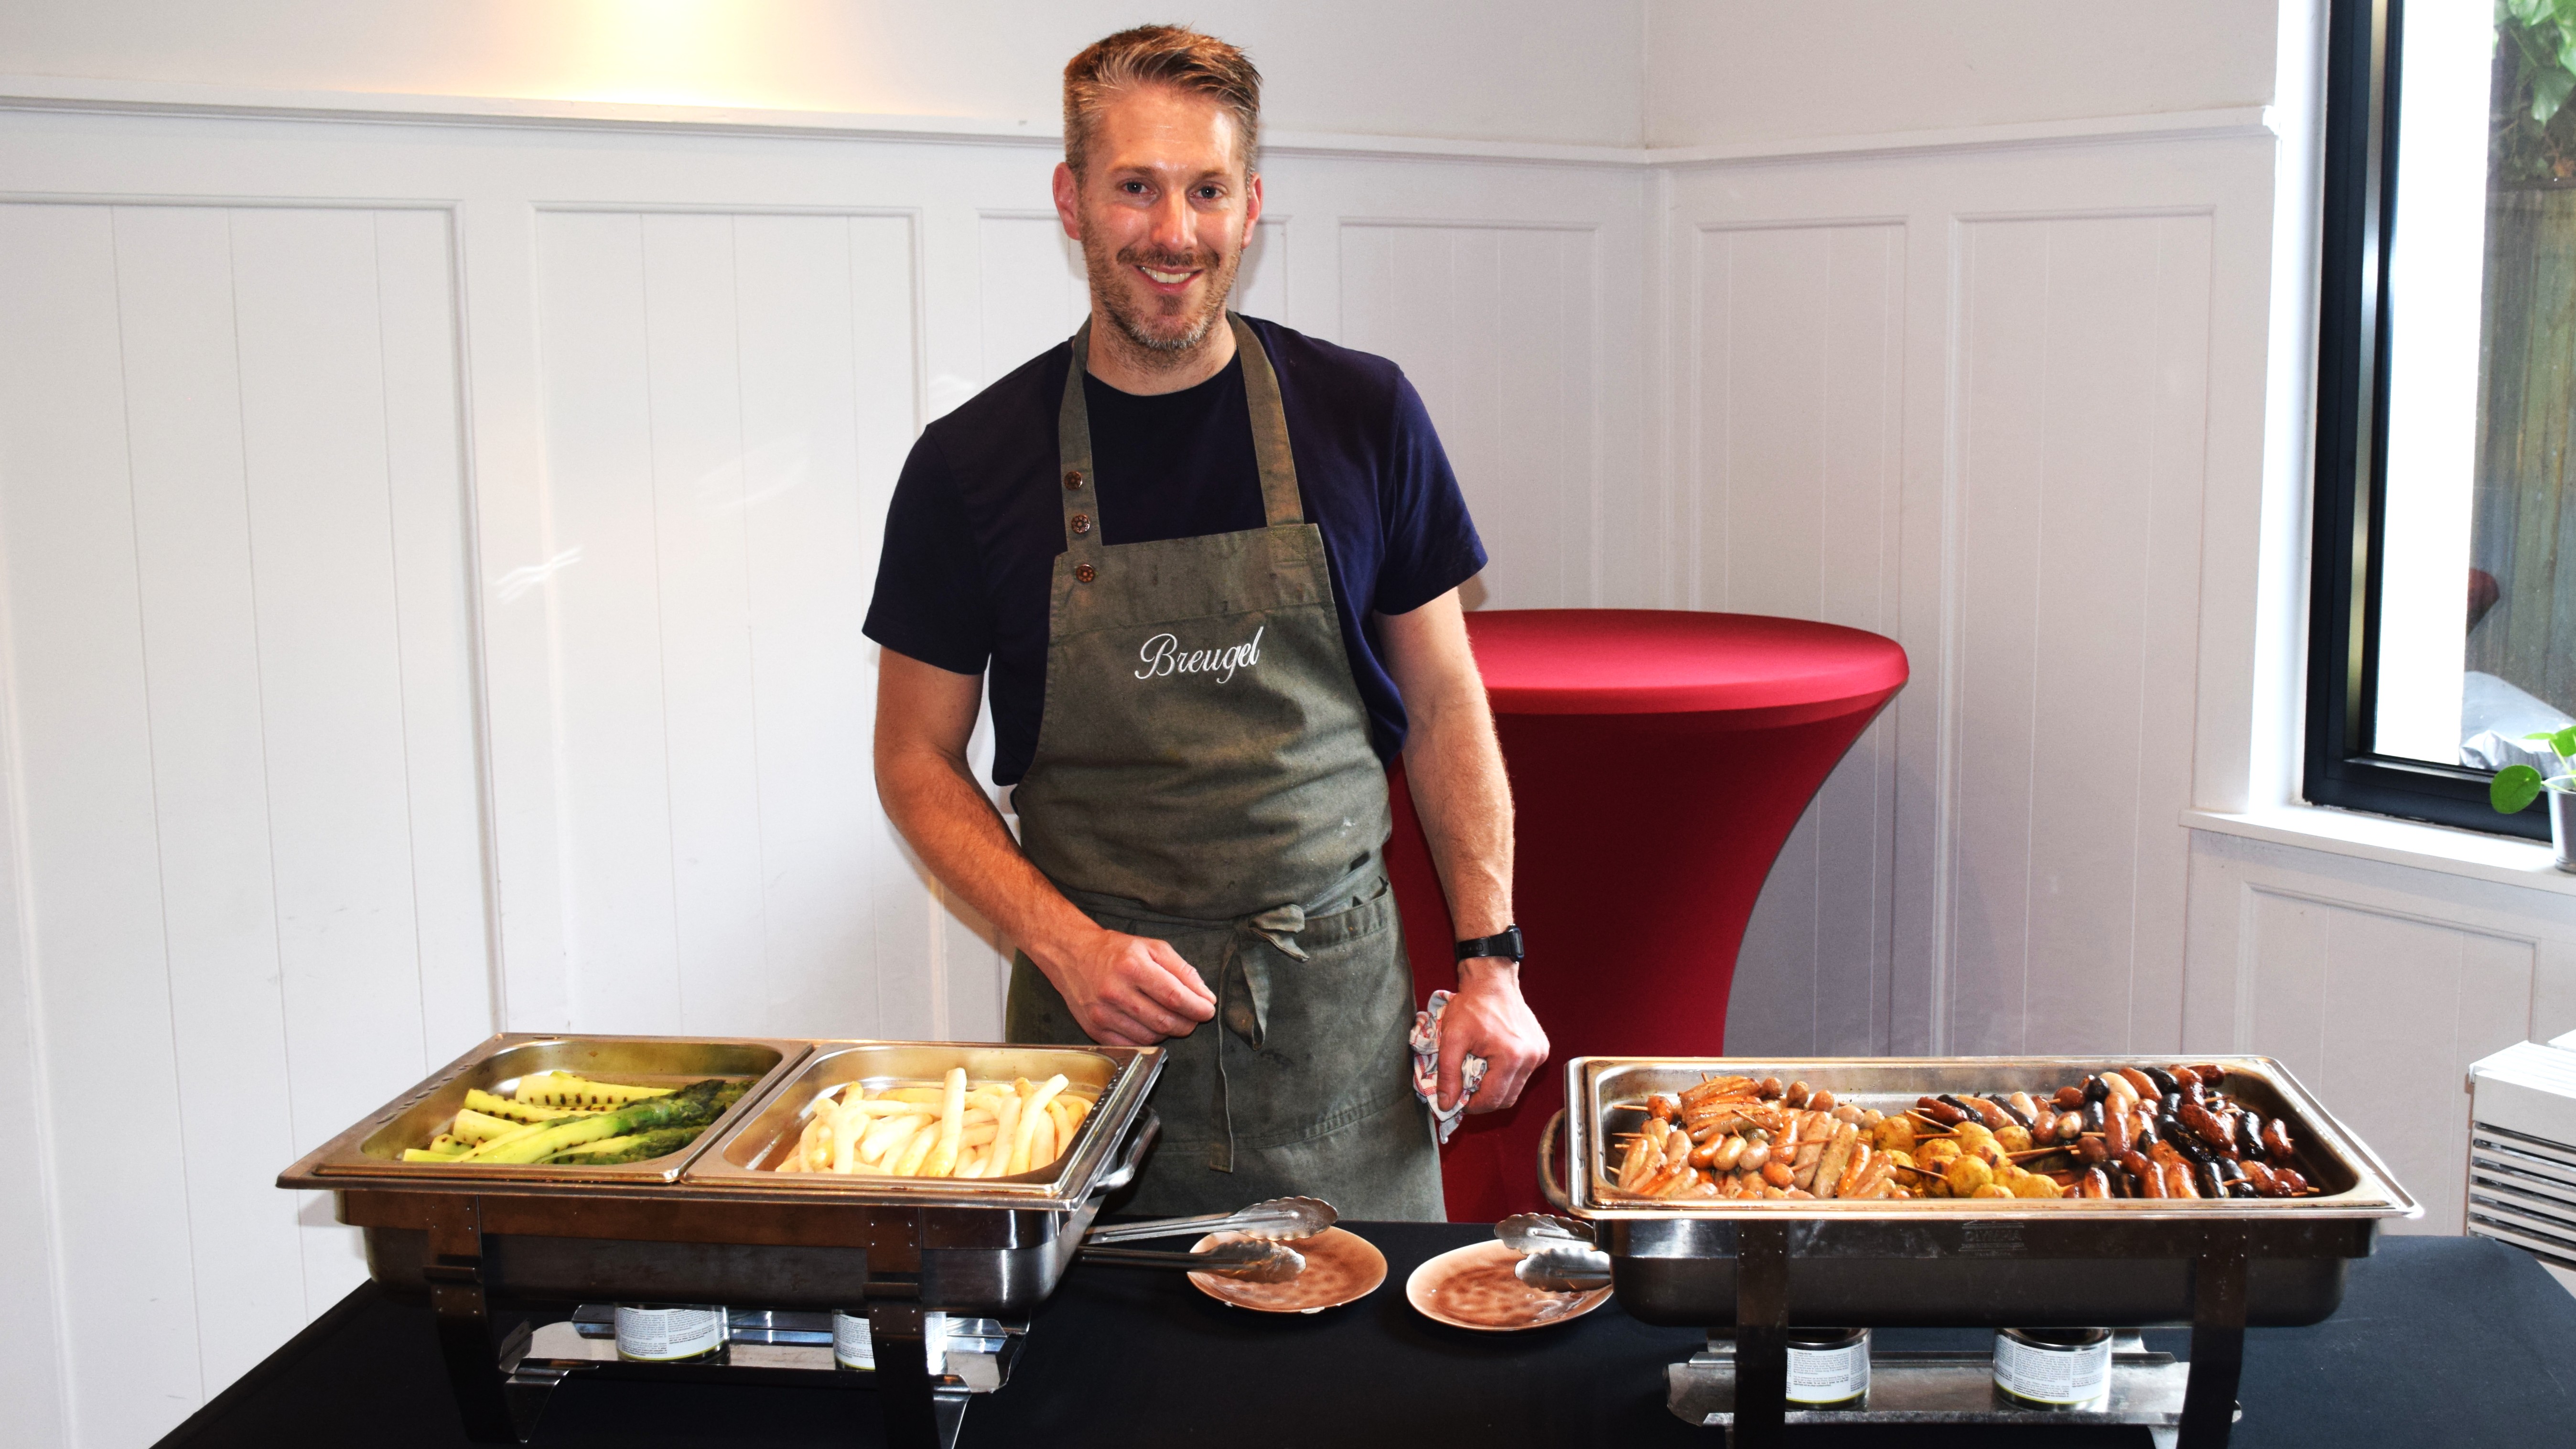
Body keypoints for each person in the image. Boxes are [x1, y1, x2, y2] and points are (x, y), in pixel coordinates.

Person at [864, 25, 1545, 1219]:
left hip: (1338, 1048)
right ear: (1071, 200)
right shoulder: (968, 465)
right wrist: (1062, 943)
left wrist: (1490, 960)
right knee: (1095, 1347)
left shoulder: (1365, 415)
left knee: (1360, 1343)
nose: (1173, 232)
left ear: (1251, 206)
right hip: (1091, 1065)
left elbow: (1444, 706)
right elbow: (913, 759)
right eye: (1135, 187)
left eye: (1206, 190)